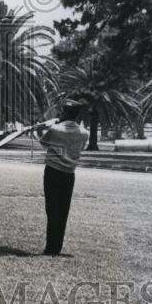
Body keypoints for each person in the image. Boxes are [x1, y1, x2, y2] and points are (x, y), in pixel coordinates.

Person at [36, 101, 89, 256]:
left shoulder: (55, 129)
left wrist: (41, 129)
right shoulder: (84, 133)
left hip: (53, 171)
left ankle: (50, 247)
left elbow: (43, 143)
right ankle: (57, 247)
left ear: (65, 113)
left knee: (52, 209)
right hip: (69, 174)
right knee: (63, 211)